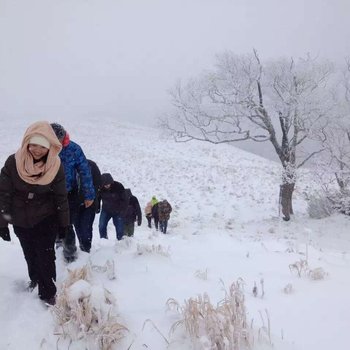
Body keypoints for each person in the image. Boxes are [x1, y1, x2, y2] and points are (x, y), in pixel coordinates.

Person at [0, 121, 69, 305]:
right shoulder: (13, 162)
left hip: (45, 218)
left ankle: (48, 295)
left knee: (46, 256)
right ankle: (35, 280)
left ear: (50, 146)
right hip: (21, 220)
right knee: (30, 254)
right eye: (33, 144)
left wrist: (64, 224)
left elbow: (61, 196)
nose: (37, 150)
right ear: (26, 142)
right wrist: (2, 223)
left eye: (42, 146)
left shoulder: (55, 166)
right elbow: (4, 194)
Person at [50, 123, 95, 263]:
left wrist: (89, 195)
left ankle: (70, 257)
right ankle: (56, 247)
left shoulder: (73, 149)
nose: (58, 143)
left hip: (69, 193)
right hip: (47, 195)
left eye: (60, 139)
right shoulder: (43, 148)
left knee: (68, 224)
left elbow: (85, 171)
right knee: (51, 223)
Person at [74, 159, 101, 253]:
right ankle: (82, 245)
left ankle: (86, 247)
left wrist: (93, 199)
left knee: (86, 226)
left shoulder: (91, 165)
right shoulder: (69, 165)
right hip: (74, 204)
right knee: (77, 226)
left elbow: (98, 184)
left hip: (89, 203)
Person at [98, 173, 130, 240]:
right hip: (106, 210)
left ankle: (120, 243)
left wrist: (122, 210)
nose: (106, 186)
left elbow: (125, 200)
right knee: (101, 225)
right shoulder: (100, 188)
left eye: (108, 184)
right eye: (104, 185)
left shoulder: (118, 186)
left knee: (120, 228)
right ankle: (103, 240)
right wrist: (97, 207)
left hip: (118, 211)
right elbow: (98, 198)